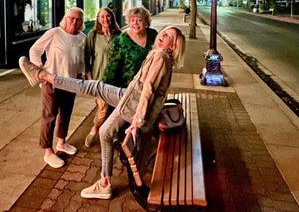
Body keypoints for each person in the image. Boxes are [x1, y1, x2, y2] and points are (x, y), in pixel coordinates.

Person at [19, 26, 185, 200]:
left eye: (169, 36)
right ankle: (43, 75)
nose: (163, 35)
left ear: (173, 46)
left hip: (133, 105)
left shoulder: (160, 57)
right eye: (164, 32)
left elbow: (148, 90)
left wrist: (137, 122)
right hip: (129, 96)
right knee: (94, 86)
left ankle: (104, 184)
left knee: (105, 132)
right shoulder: (160, 55)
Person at [29, 7, 86, 168]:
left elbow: (81, 60)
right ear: (65, 18)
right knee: (50, 116)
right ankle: (48, 151)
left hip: (71, 82)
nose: (74, 22)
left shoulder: (82, 37)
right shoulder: (55, 33)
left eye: (78, 20)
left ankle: (62, 142)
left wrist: (80, 74)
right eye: (71, 18)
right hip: (51, 81)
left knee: (66, 113)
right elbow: (35, 50)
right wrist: (40, 71)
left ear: (81, 23)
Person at [84, 7, 121, 147]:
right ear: (98, 19)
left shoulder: (119, 35)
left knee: (115, 108)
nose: (105, 19)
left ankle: (113, 133)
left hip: (116, 80)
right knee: (102, 109)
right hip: (99, 78)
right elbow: (86, 58)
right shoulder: (93, 35)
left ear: (112, 18)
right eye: (102, 17)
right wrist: (89, 79)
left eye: (108, 16)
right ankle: (94, 130)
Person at [102, 6, 157, 87]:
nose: (135, 23)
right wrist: (104, 90)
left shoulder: (153, 35)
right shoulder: (121, 40)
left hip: (150, 83)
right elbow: (111, 69)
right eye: (132, 20)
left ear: (146, 22)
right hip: (127, 87)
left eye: (139, 20)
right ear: (128, 22)